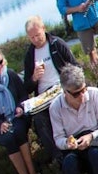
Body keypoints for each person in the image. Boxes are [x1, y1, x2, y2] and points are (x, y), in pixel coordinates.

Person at [22, 15, 79, 161]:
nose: (36, 39)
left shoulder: (57, 44)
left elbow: (75, 67)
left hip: (62, 88)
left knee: (66, 109)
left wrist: (67, 84)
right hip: (43, 96)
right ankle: (58, 157)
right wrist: (34, 78)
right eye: (32, 37)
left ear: (44, 29)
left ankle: (77, 145)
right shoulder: (30, 55)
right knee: (40, 120)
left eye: (38, 35)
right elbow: (27, 87)